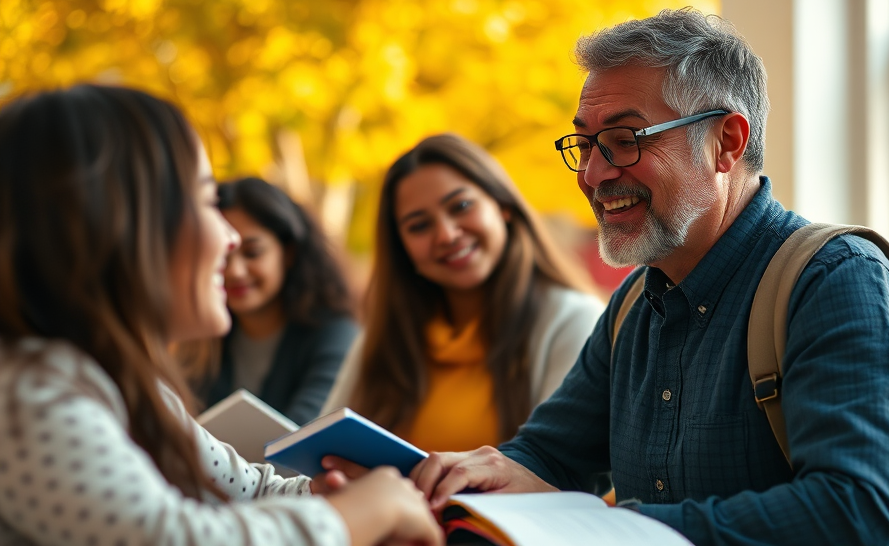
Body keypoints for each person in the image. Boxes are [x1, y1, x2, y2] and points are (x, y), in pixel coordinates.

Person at [408, 9, 889, 545]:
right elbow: (549, 457)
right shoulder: (635, 304)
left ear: (727, 143)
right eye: (587, 145)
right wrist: (464, 482)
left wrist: (608, 530)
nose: (593, 174)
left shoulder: (838, 283)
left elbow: (856, 517)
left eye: (624, 138)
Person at [0, 84, 442, 546]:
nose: (229, 239)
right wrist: (354, 516)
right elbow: (172, 539)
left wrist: (337, 493)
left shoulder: (128, 380)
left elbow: (251, 487)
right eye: (208, 202)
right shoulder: (28, 393)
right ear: (124, 227)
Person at [322, 133, 604, 452]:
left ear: (503, 206)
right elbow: (324, 444)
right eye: (418, 226)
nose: (446, 234)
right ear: (401, 248)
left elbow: (562, 466)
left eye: (461, 206)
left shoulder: (572, 321)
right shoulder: (385, 333)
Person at [194, 177, 359, 426]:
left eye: (253, 253)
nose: (235, 271)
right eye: (223, 255)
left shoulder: (337, 335)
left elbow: (301, 436)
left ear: (289, 252)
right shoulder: (200, 339)